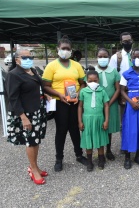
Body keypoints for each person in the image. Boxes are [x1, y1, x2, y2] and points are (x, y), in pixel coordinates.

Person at [42, 35, 88, 172]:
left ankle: (79, 155)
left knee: (75, 129)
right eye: (63, 48)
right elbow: (45, 85)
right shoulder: (52, 66)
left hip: (74, 102)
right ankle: (59, 159)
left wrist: (80, 93)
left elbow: (83, 83)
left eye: (68, 49)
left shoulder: (76, 65)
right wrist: (59, 94)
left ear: (71, 50)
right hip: (60, 102)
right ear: (58, 49)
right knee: (61, 130)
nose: (65, 51)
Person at [6, 50, 50, 185]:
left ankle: (34, 166)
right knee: (31, 141)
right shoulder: (13, 75)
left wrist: (45, 95)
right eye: (25, 57)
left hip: (37, 111)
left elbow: (38, 86)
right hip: (26, 113)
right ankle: (33, 170)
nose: (29, 59)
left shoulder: (31, 70)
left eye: (31, 56)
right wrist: (23, 117)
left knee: (36, 140)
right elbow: (13, 98)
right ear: (17, 59)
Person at [78, 68, 110, 171]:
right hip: (87, 120)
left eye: (95, 80)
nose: (92, 82)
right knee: (88, 140)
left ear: (98, 80)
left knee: (100, 140)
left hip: (99, 119)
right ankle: (89, 161)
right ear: (86, 81)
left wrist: (106, 120)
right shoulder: (83, 91)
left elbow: (106, 106)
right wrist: (80, 121)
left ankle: (101, 160)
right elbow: (79, 107)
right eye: (90, 81)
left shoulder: (102, 91)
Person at [95, 48, 121, 161]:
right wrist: (101, 104)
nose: (102, 58)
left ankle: (109, 150)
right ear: (97, 57)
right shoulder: (93, 71)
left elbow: (118, 89)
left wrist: (109, 103)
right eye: (100, 56)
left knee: (108, 127)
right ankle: (100, 152)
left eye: (105, 56)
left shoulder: (114, 71)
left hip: (112, 104)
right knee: (99, 127)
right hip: (98, 105)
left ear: (109, 57)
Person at [109, 32, 134, 127]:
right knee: (123, 119)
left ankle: (134, 140)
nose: (127, 42)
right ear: (121, 42)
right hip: (123, 91)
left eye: (129, 40)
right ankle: (124, 140)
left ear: (132, 41)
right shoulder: (115, 57)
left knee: (135, 117)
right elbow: (112, 76)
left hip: (136, 91)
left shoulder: (138, 55)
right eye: (125, 41)